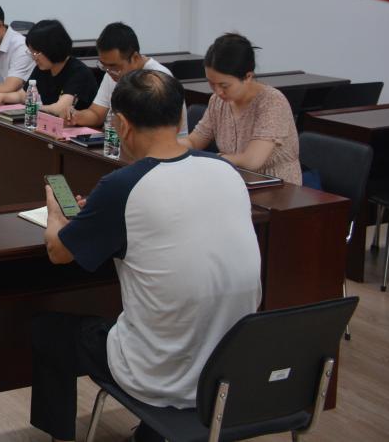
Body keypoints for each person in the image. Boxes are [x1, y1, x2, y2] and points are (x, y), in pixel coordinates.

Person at [33, 70, 261, 442]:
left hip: (157, 374)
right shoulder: (226, 171)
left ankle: (61, 436)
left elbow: (59, 253)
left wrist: (57, 218)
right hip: (228, 369)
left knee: (50, 330)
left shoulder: (123, 185)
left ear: (122, 125)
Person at [186, 32, 302, 185]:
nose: (217, 91)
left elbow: (252, 161)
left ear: (248, 77)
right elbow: (194, 141)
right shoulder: (217, 101)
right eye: (211, 83)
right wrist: (166, 147)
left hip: (278, 188)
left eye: (224, 85)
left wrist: (214, 159)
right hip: (235, 182)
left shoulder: (272, 102)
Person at [66, 22, 184, 132]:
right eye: (103, 65)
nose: (109, 71)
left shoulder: (159, 79)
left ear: (135, 58)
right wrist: (77, 116)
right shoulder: (111, 72)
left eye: (114, 66)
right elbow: (97, 113)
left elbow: (156, 133)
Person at [0, 19, 97, 115]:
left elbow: (60, 109)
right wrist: (3, 96)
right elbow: (23, 95)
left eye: (36, 53)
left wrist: (33, 108)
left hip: (77, 128)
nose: (33, 57)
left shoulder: (79, 73)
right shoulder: (43, 67)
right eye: (31, 52)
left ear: (52, 48)